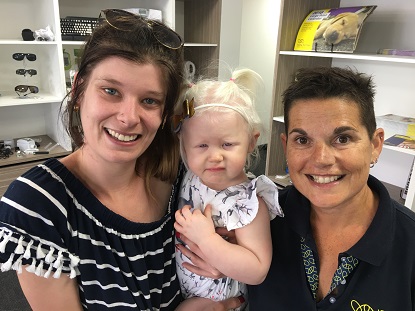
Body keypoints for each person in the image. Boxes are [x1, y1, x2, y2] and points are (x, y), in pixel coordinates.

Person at [0, 9, 239, 311]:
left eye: (149, 100)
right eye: (111, 91)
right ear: (79, 90)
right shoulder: (37, 205)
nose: (128, 118)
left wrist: (226, 257)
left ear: (165, 112)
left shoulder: (184, 172)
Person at [245, 66, 415, 309]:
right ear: (286, 146)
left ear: (375, 145)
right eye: (302, 140)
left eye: (342, 139)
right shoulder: (258, 218)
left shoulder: (409, 246)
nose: (321, 159)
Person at [173, 69, 283, 310]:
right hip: (187, 290)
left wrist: (206, 238)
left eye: (227, 144)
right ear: (184, 145)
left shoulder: (248, 201)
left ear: (252, 142)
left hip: (219, 301)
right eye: (201, 145)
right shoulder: (191, 176)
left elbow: (257, 271)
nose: (214, 156)